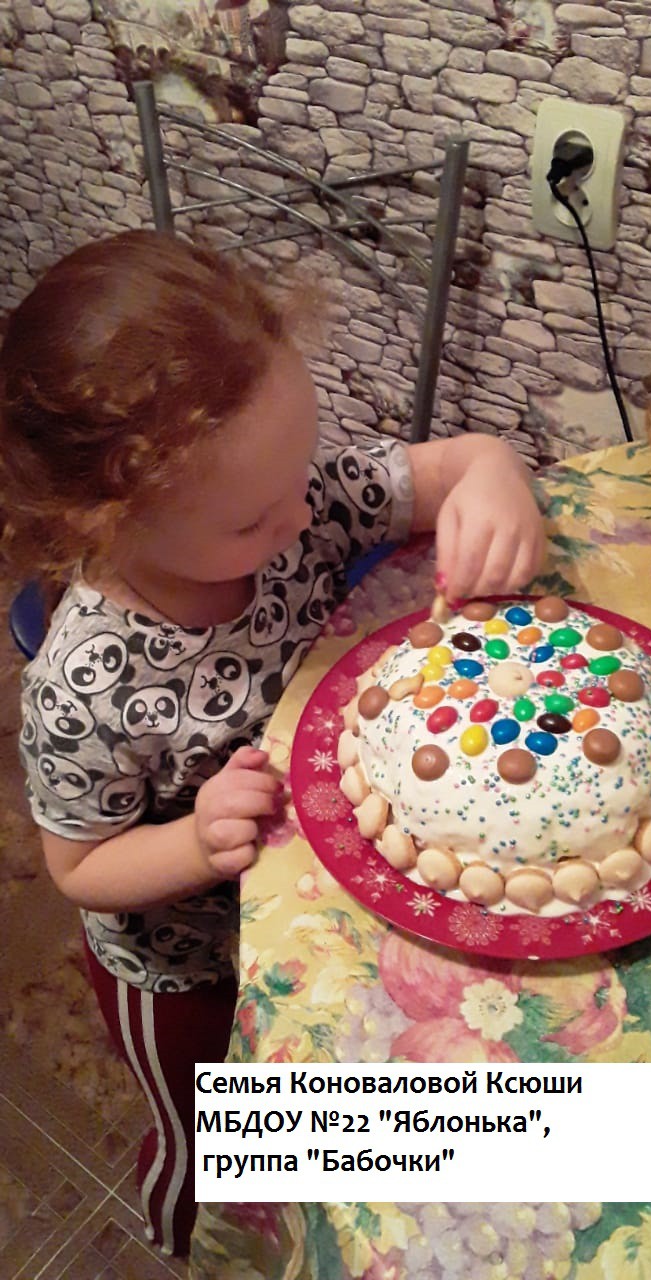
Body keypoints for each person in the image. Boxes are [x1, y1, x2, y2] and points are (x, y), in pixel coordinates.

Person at [0, 230, 545, 1255]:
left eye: (303, 470)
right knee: (213, 1130)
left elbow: (456, 464)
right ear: (105, 527)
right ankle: (191, 1231)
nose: (304, 514)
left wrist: (493, 476)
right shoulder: (86, 683)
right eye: (256, 518)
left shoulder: (293, 501)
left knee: (334, 1119)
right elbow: (78, 867)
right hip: (187, 964)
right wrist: (196, 842)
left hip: (317, 905)